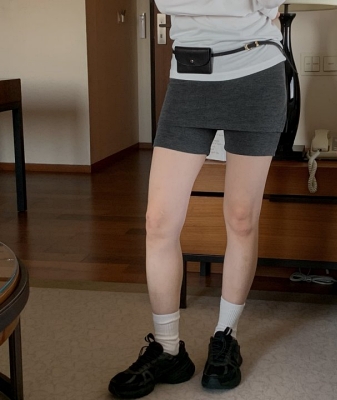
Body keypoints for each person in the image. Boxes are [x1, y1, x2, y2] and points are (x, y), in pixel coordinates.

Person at [108, 1, 287, 398]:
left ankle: (226, 336)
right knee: (158, 221)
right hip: (189, 78)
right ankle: (168, 349)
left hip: (256, 73)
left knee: (241, 217)